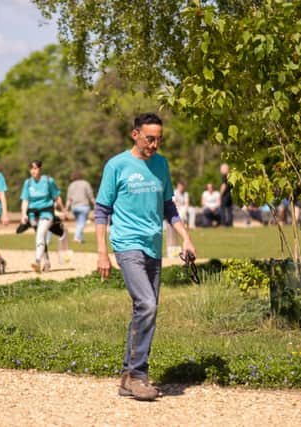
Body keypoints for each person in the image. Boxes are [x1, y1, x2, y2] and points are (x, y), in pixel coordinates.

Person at [95, 113, 196, 401]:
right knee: (147, 304)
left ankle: (128, 377)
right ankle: (139, 376)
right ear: (135, 134)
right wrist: (102, 252)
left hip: (153, 244)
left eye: (159, 139)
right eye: (150, 138)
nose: (154, 144)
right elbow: (102, 210)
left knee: (145, 310)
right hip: (127, 244)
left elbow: (169, 207)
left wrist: (186, 237)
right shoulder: (116, 165)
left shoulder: (161, 164)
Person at [20, 160, 65, 273]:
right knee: (41, 238)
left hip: (47, 212)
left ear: (40, 169)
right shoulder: (28, 183)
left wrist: (64, 210)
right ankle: (47, 262)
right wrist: (23, 214)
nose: (33, 171)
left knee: (40, 234)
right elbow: (25, 200)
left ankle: (37, 261)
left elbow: (57, 197)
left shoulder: (48, 181)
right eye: (31, 168)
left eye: (35, 168)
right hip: (33, 215)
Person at [65, 170, 95, 243]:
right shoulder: (85, 183)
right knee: (81, 223)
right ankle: (76, 237)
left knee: (79, 223)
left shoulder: (71, 185)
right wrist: (96, 205)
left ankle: (80, 239)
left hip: (74, 207)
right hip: (84, 206)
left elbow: (69, 199)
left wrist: (65, 209)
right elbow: (91, 196)